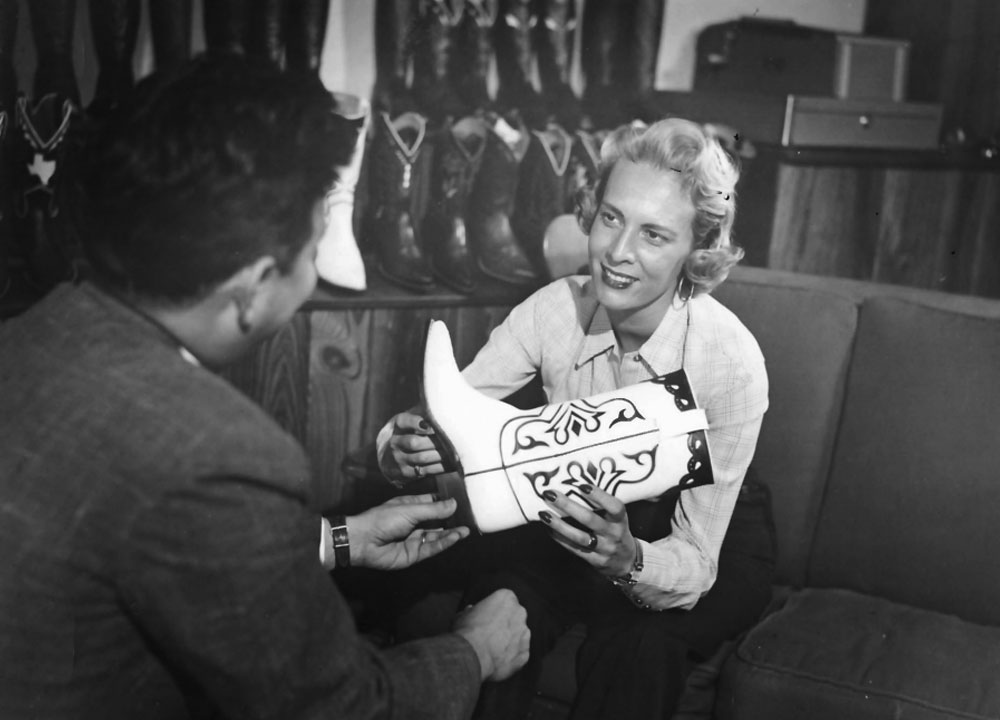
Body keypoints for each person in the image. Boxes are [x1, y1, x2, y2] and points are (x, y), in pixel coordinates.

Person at [0, 54, 529, 720]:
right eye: (311, 251)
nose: (314, 271)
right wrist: (473, 652)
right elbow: (340, 711)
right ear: (251, 290)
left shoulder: (33, 333)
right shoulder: (220, 450)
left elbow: (134, 534)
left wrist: (336, 539)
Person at [378, 117, 776, 719]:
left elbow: (696, 557)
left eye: (654, 235)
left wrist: (629, 561)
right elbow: (449, 410)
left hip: (698, 529)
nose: (617, 254)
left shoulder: (732, 364)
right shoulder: (554, 309)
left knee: (640, 644)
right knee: (497, 611)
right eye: (612, 218)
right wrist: (399, 448)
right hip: (570, 506)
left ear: (697, 248)